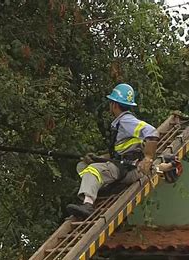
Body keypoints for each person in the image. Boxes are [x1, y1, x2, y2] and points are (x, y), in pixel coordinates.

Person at [66, 83, 160, 218]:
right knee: (83, 166)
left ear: (114, 104)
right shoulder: (123, 123)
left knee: (93, 170)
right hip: (126, 167)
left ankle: (87, 205)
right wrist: (98, 157)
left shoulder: (126, 121)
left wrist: (148, 159)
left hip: (127, 169)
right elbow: (119, 152)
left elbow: (152, 132)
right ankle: (104, 189)